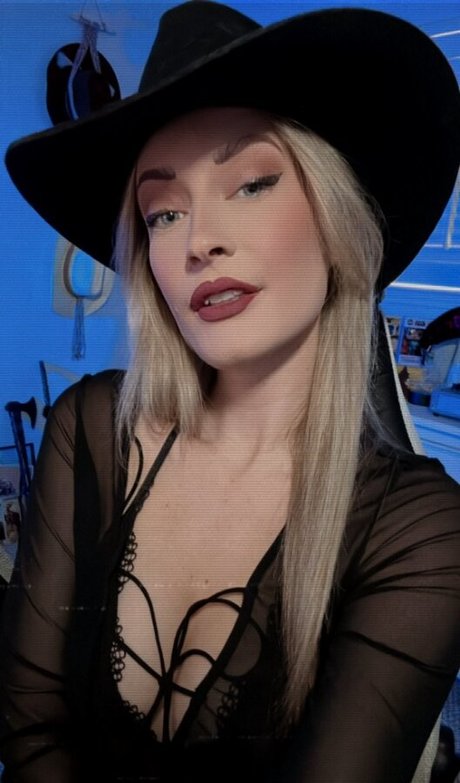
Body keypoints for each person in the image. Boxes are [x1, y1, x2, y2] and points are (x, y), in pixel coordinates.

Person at [1, 2, 460, 782]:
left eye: (250, 183)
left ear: (335, 218)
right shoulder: (93, 429)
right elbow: (28, 723)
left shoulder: (420, 531)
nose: (198, 240)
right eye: (163, 212)